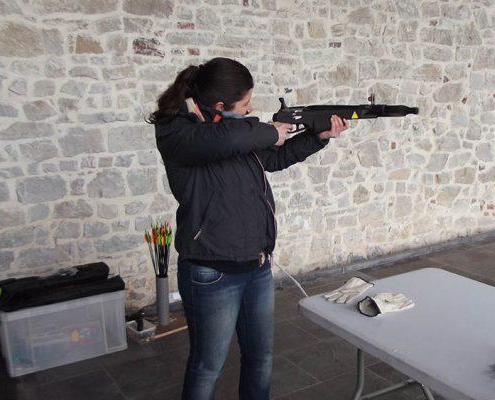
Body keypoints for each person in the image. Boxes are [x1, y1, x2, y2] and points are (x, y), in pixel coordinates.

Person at [148, 57, 348, 400]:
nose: (250, 109)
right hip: (211, 272)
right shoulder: (177, 132)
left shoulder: (235, 131)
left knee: (261, 359)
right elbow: (225, 139)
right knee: (207, 368)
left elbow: (273, 158)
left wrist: (318, 137)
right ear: (219, 105)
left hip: (256, 265)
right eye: (245, 103)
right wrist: (271, 130)